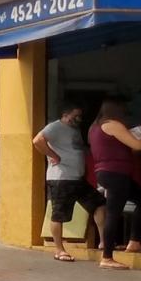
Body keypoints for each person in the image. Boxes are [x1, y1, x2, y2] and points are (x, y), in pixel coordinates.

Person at [33, 101, 104, 262]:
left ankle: (104, 242)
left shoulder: (75, 130)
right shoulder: (55, 127)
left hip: (77, 179)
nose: (78, 119)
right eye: (75, 116)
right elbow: (37, 140)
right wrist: (53, 155)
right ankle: (59, 250)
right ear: (65, 115)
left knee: (99, 203)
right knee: (58, 214)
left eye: (80, 116)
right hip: (61, 178)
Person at [88, 98, 141, 270]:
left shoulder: (94, 128)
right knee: (113, 213)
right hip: (116, 173)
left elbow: (121, 148)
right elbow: (138, 145)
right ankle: (107, 257)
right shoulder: (112, 125)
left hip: (108, 173)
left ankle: (134, 242)